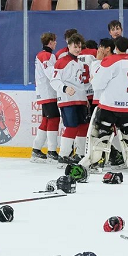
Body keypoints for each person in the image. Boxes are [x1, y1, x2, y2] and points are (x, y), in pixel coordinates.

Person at [84, 36, 128, 171]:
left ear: (115, 48)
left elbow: (97, 84)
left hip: (111, 105)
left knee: (103, 133)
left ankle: (98, 162)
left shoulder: (110, 61)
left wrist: (96, 66)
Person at [50, 33, 90, 165]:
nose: (78, 49)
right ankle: (63, 155)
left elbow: (80, 84)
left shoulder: (78, 63)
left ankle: (80, 153)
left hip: (80, 100)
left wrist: (85, 99)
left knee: (83, 126)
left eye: (79, 47)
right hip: (67, 101)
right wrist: (64, 88)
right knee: (71, 127)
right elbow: (54, 80)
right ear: (68, 46)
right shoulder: (61, 62)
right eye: (75, 46)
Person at [31, 32, 60, 163]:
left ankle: (36, 149)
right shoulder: (47, 56)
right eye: (54, 41)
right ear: (50, 42)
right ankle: (52, 151)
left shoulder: (41, 55)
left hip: (44, 92)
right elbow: (51, 74)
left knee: (46, 120)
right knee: (54, 119)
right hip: (49, 93)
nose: (56, 43)